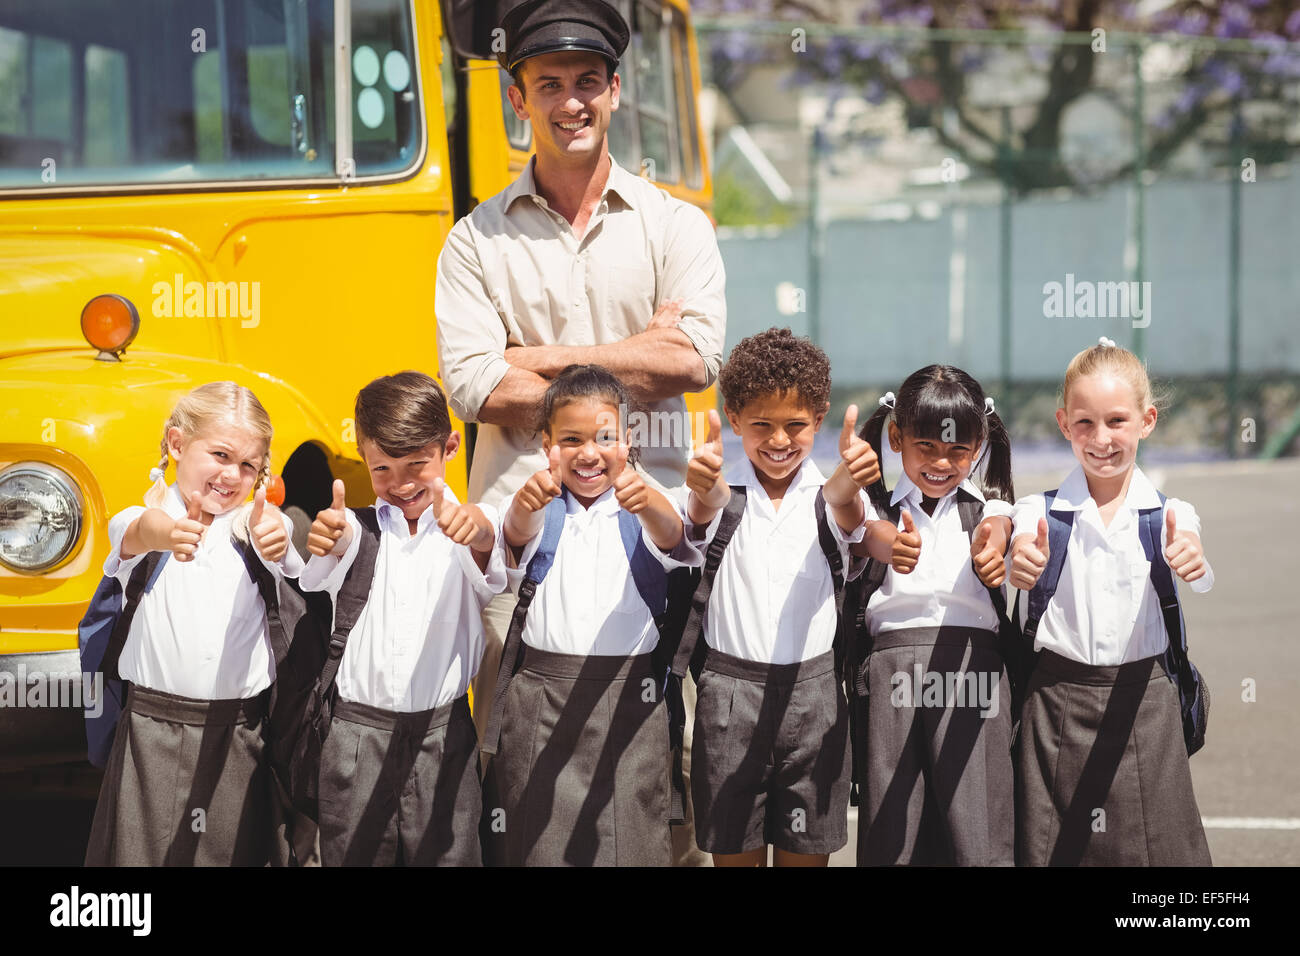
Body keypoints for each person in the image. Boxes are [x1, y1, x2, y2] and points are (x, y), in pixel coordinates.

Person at [434, 0, 725, 864]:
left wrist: (544, 357)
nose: (572, 102)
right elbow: (476, 384)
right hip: (521, 548)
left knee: (660, 771)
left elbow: (696, 357)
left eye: (587, 82)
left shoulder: (676, 224)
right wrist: (633, 355)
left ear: (615, 90)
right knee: (524, 768)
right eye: (549, 83)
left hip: (656, 531)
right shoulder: (472, 240)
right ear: (516, 98)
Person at [481, 365, 701, 866]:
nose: (587, 453)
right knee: (538, 843)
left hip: (630, 700)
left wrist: (648, 504)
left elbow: (675, 538)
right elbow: (511, 534)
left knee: (634, 841)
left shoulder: (649, 503)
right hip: (541, 699)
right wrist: (523, 506)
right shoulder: (537, 504)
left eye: (604, 437)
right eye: (571, 439)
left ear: (627, 442)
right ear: (547, 444)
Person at [1008, 337, 1214, 866]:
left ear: (1147, 421)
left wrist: (1193, 561)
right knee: (1052, 850)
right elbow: (1016, 544)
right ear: (1062, 423)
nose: (1101, 439)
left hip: (1143, 704)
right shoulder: (1039, 511)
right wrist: (1019, 562)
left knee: (1159, 854)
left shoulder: (1170, 513)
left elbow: (1192, 552)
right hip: (1056, 704)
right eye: (1085, 423)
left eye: (1117, 421)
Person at [680, 328, 881, 866]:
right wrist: (701, 492)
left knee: (805, 853)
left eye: (795, 425)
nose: (778, 440)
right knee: (734, 852)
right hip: (729, 697)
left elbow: (863, 529)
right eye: (761, 425)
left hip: (814, 698)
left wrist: (851, 486)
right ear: (734, 417)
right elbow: (696, 522)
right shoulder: (717, 490)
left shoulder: (830, 496)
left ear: (819, 419)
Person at [85, 382, 302, 866]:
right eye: (221, 455)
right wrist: (171, 532)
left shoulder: (256, 526)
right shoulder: (140, 520)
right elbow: (139, 531)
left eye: (249, 465)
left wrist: (278, 540)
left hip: (238, 733)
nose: (232, 475)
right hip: (149, 730)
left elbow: (283, 543)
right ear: (177, 444)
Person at [300, 372, 505, 866]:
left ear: (451, 447)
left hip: (444, 736)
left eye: (417, 463)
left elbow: (487, 543)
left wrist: (475, 530)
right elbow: (336, 539)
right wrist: (327, 532)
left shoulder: (472, 527)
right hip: (357, 738)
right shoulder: (357, 528)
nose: (401, 483)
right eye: (382, 469)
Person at [849, 366, 1018, 866]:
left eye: (958, 451)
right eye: (927, 446)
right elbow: (849, 521)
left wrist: (998, 549)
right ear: (896, 437)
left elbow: (1008, 527)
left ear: (979, 443)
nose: (942, 462)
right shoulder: (869, 509)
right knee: (892, 835)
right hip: (890, 681)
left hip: (974, 676)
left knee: (979, 831)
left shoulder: (993, 512)